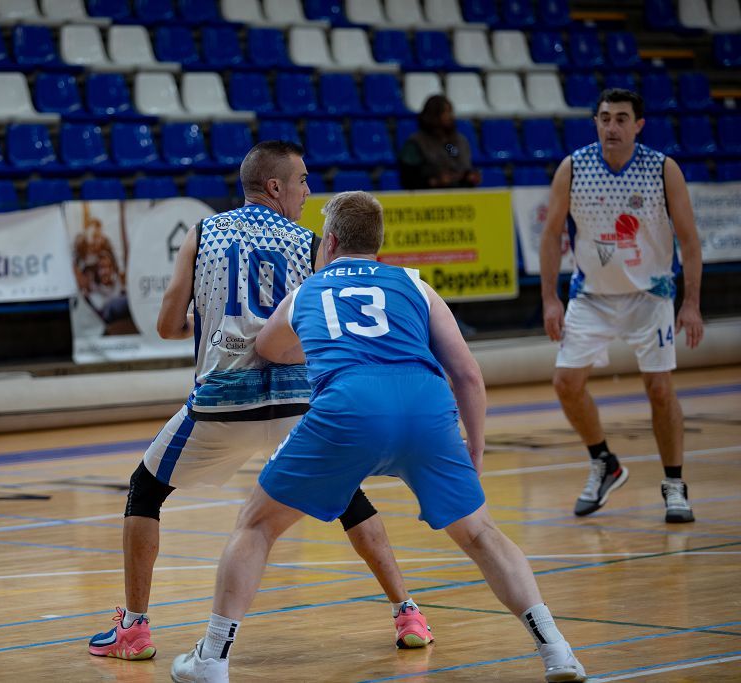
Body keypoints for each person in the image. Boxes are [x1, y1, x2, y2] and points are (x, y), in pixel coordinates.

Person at [171, 191, 587, 683]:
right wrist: (473, 446)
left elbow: (269, 348)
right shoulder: (415, 284)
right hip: (426, 407)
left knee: (257, 524)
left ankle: (212, 659)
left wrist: (322, 348)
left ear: (329, 241)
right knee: (481, 534)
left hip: (349, 406)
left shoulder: (309, 290)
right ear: (378, 243)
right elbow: (469, 376)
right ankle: (557, 650)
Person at [87, 142, 432, 662]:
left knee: (145, 490)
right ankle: (408, 612)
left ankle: (134, 630)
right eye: (302, 180)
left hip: (222, 403)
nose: (308, 191)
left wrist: (206, 325)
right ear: (275, 187)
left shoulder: (203, 234)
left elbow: (165, 326)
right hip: (296, 402)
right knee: (349, 499)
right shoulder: (313, 243)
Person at [539, 88, 704, 523]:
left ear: (638, 125)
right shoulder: (572, 168)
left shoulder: (662, 169)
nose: (611, 126)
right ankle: (604, 462)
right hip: (591, 296)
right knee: (565, 383)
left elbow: (688, 240)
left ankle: (674, 484)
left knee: (659, 389)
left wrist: (692, 304)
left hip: (652, 296)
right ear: (595, 122)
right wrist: (550, 298)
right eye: (605, 118)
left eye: (621, 118)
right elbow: (551, 235)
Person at [399, 94, 482, 190]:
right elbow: (408, 179)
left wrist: (469, 176)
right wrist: (435, 181)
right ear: (433, 116)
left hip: (461, 197)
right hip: (430, 199)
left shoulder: (450, 144)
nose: (450, 117)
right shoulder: (417, 143)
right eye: (445, 112)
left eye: (450, 112)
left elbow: (457, 160)